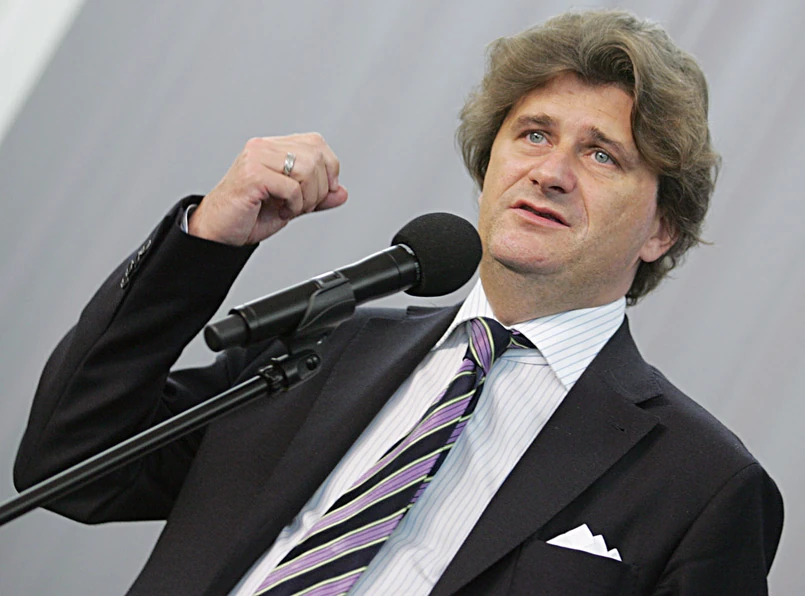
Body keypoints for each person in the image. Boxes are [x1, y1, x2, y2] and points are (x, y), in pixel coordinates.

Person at [14, 8, 783, 596]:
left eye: (600, 154)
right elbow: (74, 460)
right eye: (532, 134)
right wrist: (207, 240)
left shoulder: (701, 485)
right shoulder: (322, 351)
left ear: (661, 229)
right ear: (488, 162)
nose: (549, 172)